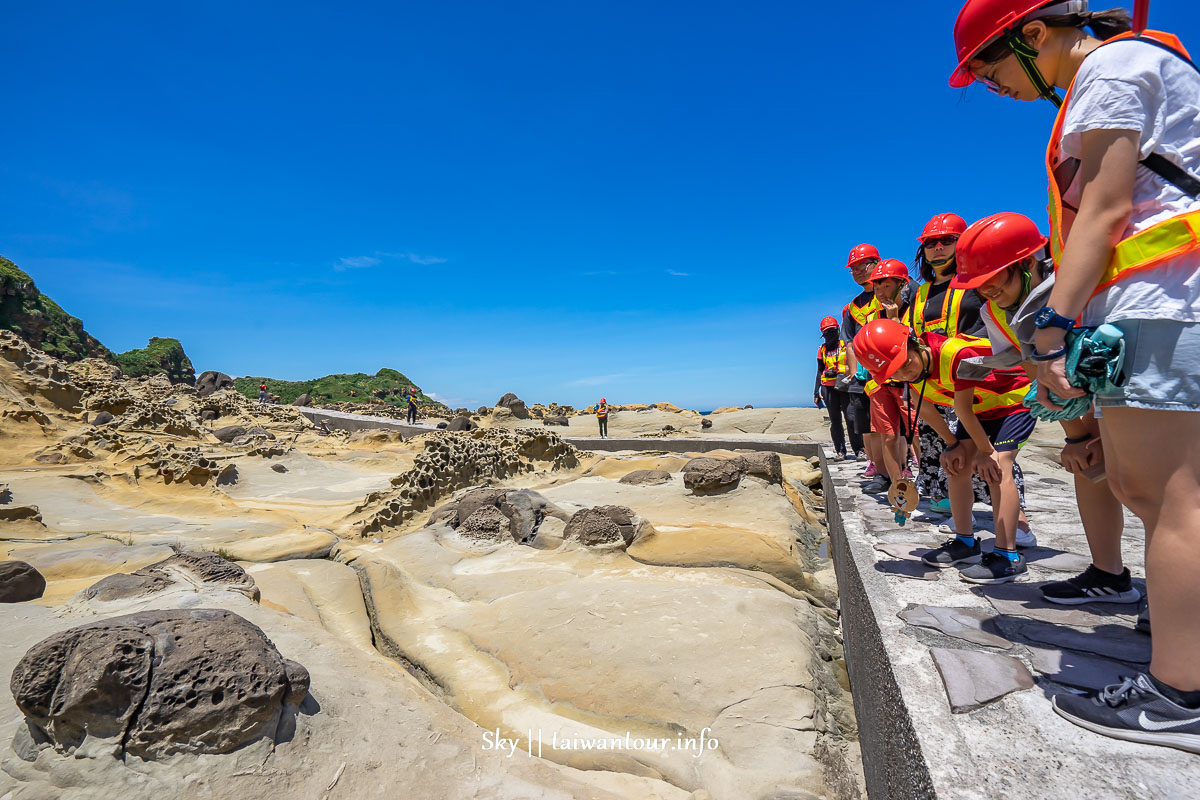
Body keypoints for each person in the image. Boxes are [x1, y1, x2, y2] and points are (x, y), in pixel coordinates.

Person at [949, 0, 1200, 748]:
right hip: (1153, 302)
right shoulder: (1132, 66)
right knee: (1141, 490)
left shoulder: (1112, 68)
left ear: (1033, 35)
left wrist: (1053, 324)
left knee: (1171, 498)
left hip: (1164, 299)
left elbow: (1106, 209)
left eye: (990, 71)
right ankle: (1176, 633)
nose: (996, 89)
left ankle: (1178, 695)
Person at [952, 210, 1137, 603]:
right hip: (1080, 407)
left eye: (992, 280)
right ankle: (1109, 574)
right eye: (978, 286)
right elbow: (1040, 375)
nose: (986, 292)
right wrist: (1081, 436)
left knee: (1150, 488)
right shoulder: (994, 313)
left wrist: (1092, 433)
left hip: (1123, 392)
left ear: (1027, 262)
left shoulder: (1069, 289)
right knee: (1090, 472)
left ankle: (1178, 610)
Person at [855, 318, 1037, 583]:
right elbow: (926, 409)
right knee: (956, 465)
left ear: (913, 343)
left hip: (1013, 400)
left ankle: (1008, 556)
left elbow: (961, 409)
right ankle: (965, 543)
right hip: (980, 409)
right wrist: (952, 446)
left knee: (998, 466)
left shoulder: (956, 354)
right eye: (896, 372)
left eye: (906, 364)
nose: (906, 374)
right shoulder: (915, 373)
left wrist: (985, 452)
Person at [907, 213, 991, 514]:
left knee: (983, 447)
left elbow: (995, 322)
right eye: (930, 243)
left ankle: (1011, 516)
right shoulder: (920, 292)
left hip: (975, 377)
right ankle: (949, 504)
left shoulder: (977, 282)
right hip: (933, 382)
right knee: (939, 444)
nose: (938, 247)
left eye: (947, 240)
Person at [864, 258, 916, 493]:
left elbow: (915, 345)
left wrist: (895, 320)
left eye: (886, 286)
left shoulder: (914, 309)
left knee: (916, 433)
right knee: (886, 433)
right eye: (877, 286)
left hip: (909, 382)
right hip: (881, 382)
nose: (881, 292)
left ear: (901, 285)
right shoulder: (872, 316)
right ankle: (894, 483)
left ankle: (930, 478)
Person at [840, 244, 887, 477]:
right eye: (853, 269)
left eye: (862, 266)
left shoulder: (895, 291)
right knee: (867, 424)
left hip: (892, 369)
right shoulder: (852, 307)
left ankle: (900, 468)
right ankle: (876, 465)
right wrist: (852, 373)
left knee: (893, 423)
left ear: (877, 263)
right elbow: (849, 342)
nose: (858, 272)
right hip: (863, 374)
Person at [814, 316, 864, 460]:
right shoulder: (822, 350)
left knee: (851, 418)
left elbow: (853, 364)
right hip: (828, 388)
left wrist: (837, 372)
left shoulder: (846, 345)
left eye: (832, 331)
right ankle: (840, 451)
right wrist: (816, 391)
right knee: (835, 420)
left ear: (837, 330)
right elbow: (819, 371)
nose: (829, 335)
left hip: (845, 386)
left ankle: (859, 449)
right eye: (826, 332)